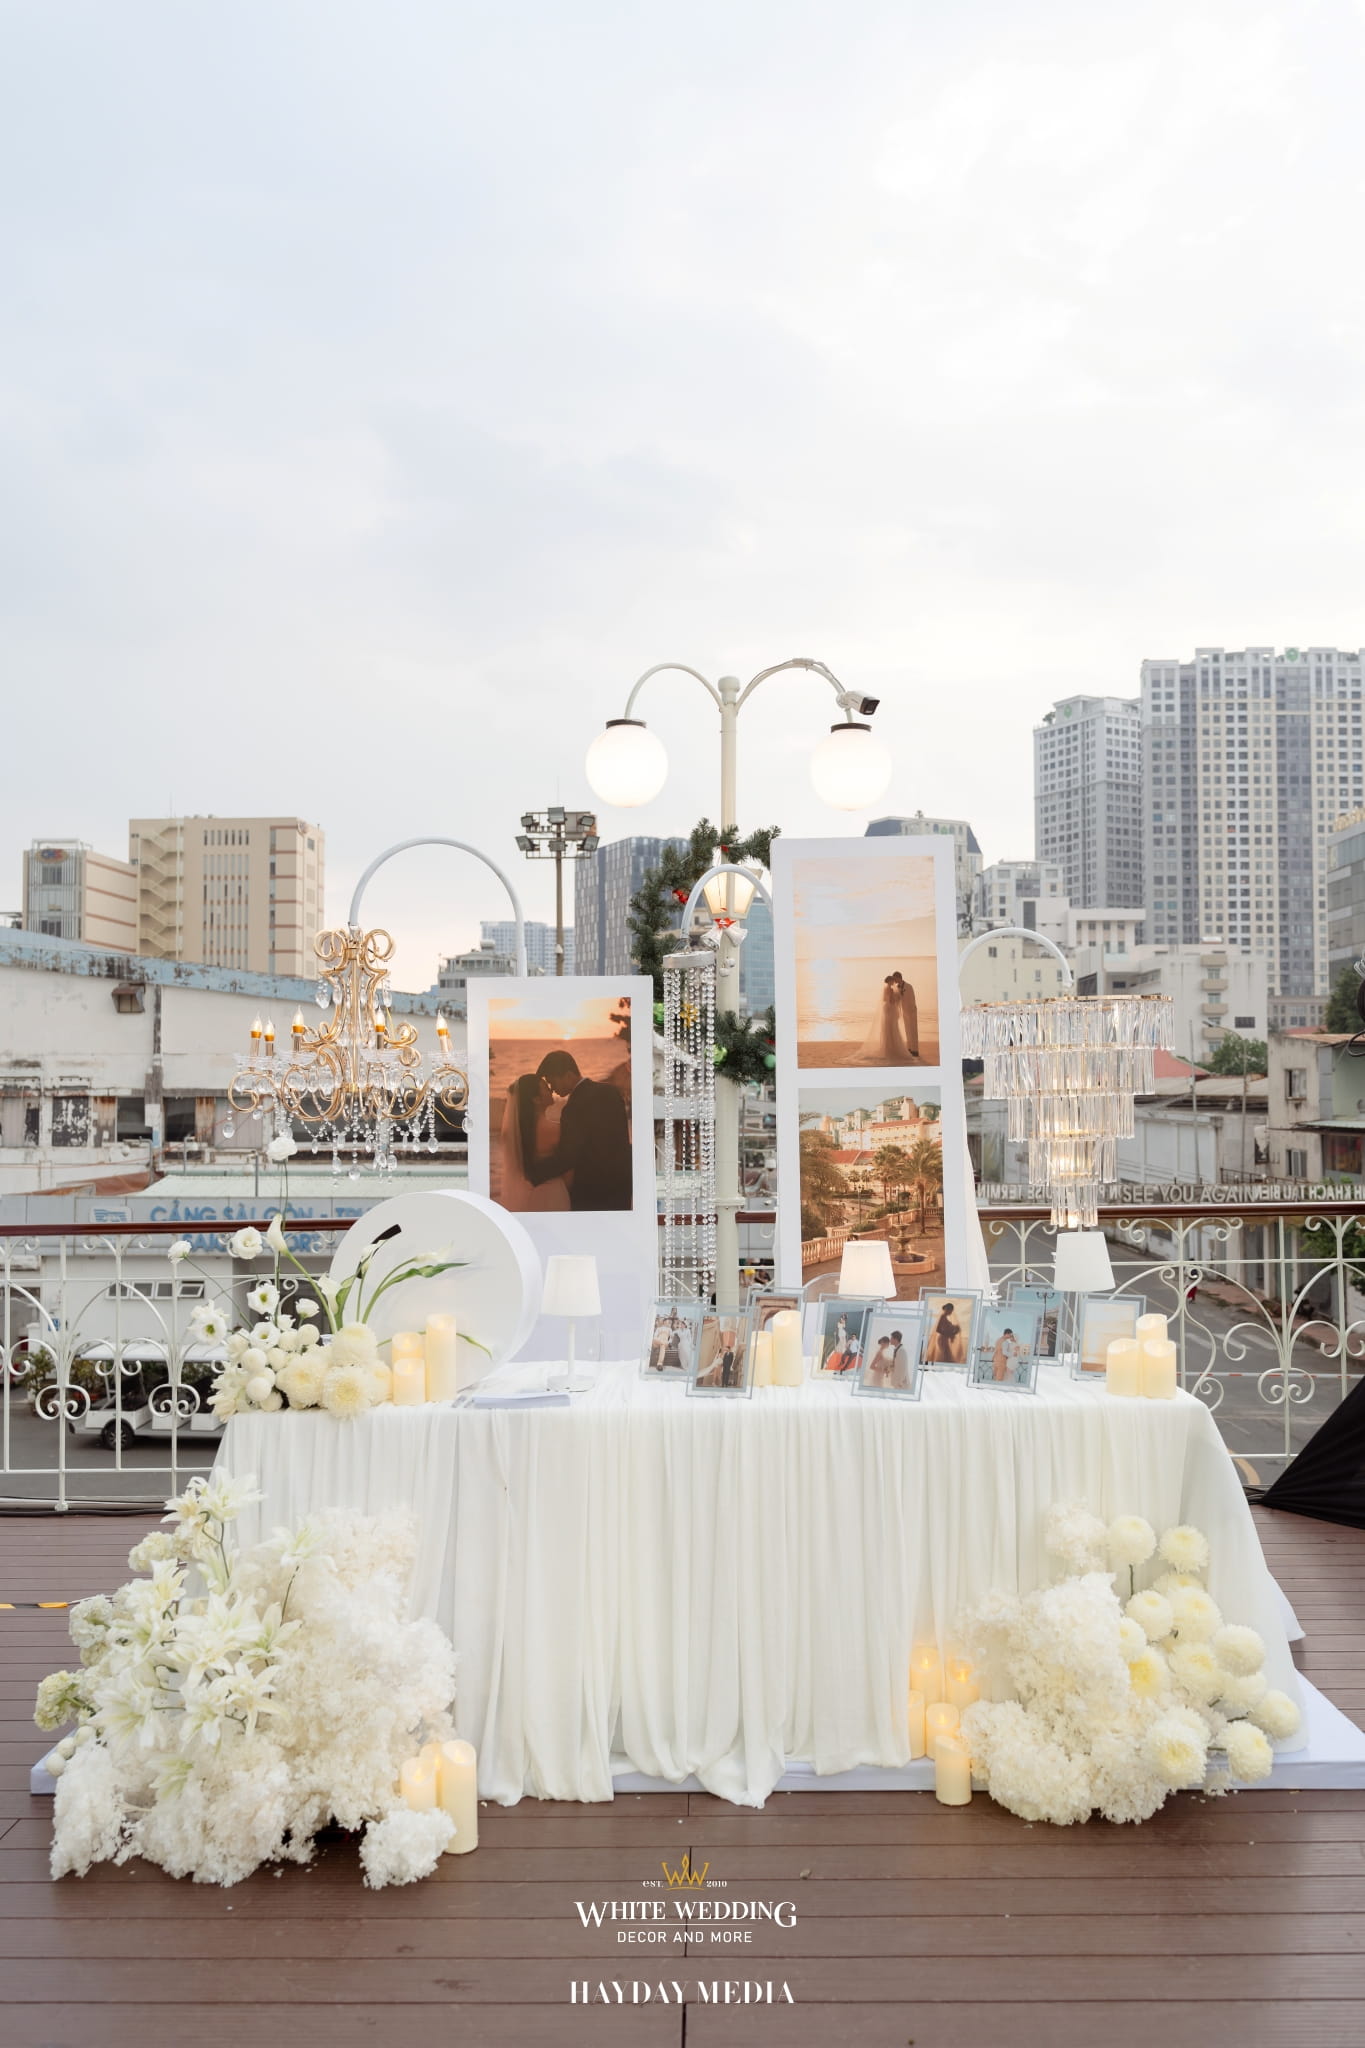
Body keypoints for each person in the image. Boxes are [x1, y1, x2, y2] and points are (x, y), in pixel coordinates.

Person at [522, 1049, 633, 1211]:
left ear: (568, 1075)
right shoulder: (610, 1091)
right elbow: (621, 1138)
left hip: (591, 1193)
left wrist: (534, 1175)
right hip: (622, 1186)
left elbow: (567, 1156)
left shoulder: (573, 1108)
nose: (552, 1089)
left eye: (553, 1082)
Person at [499, 1073, 570, 1211]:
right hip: (553, 1193)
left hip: (527, 1195)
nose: (551, 1090)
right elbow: (568, 1170)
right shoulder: (555, 1129)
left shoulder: (510, 1133)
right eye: (545, 1087)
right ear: (536, 1099)